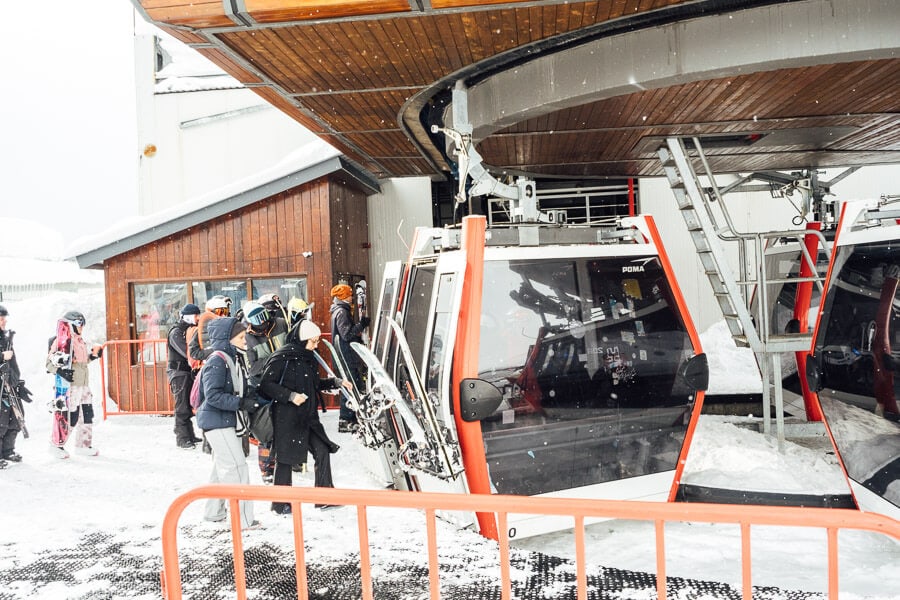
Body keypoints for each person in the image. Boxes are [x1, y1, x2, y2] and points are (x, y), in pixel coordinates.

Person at [260, 319, 349, 514]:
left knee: (322, 451)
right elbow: (266, 385)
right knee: (285, 459)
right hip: (287, 417)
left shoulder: (307, 357)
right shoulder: (281, 357)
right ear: (302, 340)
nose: (316, 345)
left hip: (308, 417)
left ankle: (324, 498)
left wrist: (336, 382)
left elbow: (315, 383)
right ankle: (280, 504)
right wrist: (290, 396)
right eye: (313, 341)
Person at [195, 317, 259, 529]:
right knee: (236, 468)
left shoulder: (231, 358)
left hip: (222, 420)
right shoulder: (217, 360)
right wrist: (241, 403)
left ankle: (214, 511)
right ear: (228, 339)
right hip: (218, 421)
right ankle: (243, 520)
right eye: (241, 337)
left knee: (221, 469)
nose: (245, 341)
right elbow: (213, 396)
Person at [45, 310, 103, 458]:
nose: (82, 327)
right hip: (71, 386)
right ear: (70, 324)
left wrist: (92, 356)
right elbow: (48, 363)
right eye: (79, 323)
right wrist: (61, 371)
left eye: (83, 323)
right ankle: (56, 444)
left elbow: (81, 363)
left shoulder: (79, 340)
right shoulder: (62, 341)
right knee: (70, 416)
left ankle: (83, 445)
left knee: (87, 415)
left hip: (84, 385)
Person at [243, 300, 289, 483]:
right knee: (267, 430)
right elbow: (252, 368)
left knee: (287, 424)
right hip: (263, 386)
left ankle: (288, 460)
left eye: (264, 317)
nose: (263, 324)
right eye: (257, 321)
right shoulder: (247, 338)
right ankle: (267, 468)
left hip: (286, 381)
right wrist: (275, 358)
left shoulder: (280, 324)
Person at [329, 283, 370, 432]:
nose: (352, 297)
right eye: (349, 294)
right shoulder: (341, 312)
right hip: (346, 356)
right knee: (351, 385)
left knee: (352, 384)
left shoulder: (339, 310)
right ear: (343, 296)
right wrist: (361, 325)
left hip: (345, 355)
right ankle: (346, 419)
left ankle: (350, 417)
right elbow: (346, 334)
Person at [166, 303, 203, 449]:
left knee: (187, 404)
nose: (198, 318)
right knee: (181, 405)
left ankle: (189, 434)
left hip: (187, 372)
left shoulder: (189, 330)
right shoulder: (176, 332)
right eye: (196, 315)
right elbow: (187, 352)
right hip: (179, 372)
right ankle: (182, 437)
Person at [0, 304, 32, 467]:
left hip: (9, 385)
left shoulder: (5, 338)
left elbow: (13, 364)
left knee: (16, 418)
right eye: (1, 318)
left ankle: (7, 451)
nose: (4, 321)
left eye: (4, 318)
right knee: (1, 421)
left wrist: (18, 383)